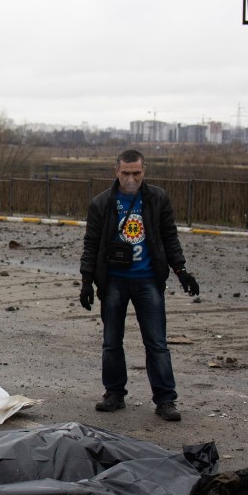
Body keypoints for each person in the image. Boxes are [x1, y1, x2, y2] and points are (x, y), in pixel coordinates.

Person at [79, 149, 199, 421]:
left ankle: (165, 399)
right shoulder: (102, 203)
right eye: (125, 173)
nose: (131, 179)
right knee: (111, 342)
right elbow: (91, 244)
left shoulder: (157, 199)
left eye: (136, 173)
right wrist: (87, 281)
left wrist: (181, 270)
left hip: (148, 281)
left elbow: (169, 237)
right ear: (116, 171)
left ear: (144, 172)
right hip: (113, 283)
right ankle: (114, 393)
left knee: (157, 343)